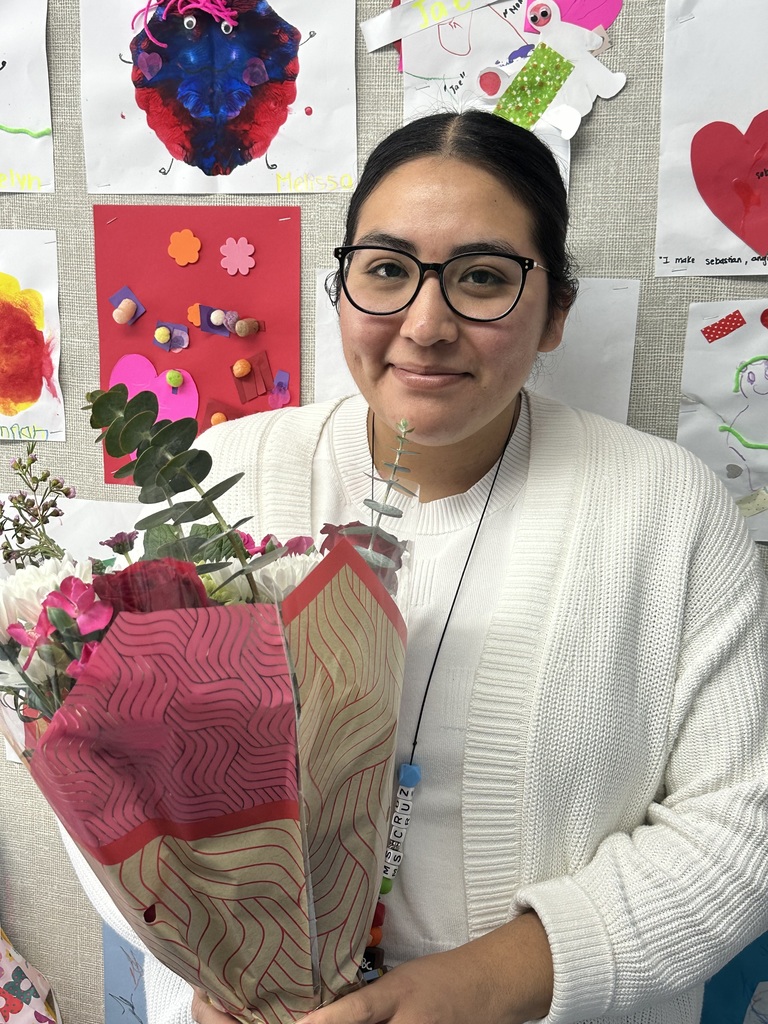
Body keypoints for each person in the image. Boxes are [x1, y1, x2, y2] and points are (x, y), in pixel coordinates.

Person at [69, 110, 768, 1024]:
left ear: (555, 310)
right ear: (342, 289)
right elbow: (108, 780)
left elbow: (739, 825)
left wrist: (485, 987)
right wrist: (212, 981)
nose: (426, 324)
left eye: (482, 278)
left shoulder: (668, 510)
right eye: (388, 271)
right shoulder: (224, 485)